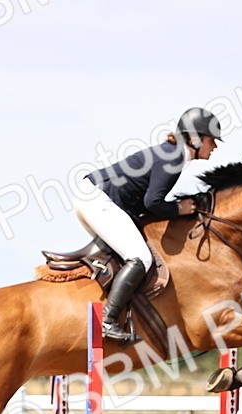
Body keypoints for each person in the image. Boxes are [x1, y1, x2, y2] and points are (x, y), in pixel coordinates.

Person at [75, 107, 222, 344]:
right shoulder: (174, 156)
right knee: (140, 258)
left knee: (123, 255)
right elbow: (152, 201)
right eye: (211, 140)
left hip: (93, 196)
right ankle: (107, 321)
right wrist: (178, 209)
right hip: (99, 200)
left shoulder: (173, 153)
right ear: (195, 139)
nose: (214, 146)